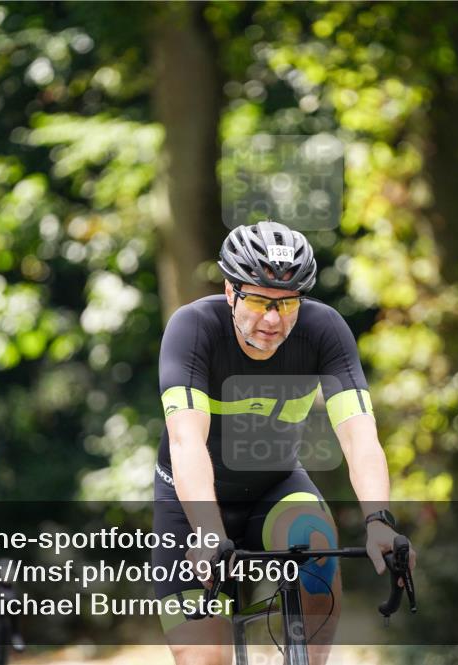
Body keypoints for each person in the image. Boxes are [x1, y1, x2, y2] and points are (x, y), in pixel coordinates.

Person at [153, 220, 415, 664]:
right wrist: (208, 532)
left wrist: (379, 520)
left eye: (288, 303)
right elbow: (185, 441)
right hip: (189, 503)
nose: (273, 319)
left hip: (276, 487)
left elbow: (359, 436)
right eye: (259, 301)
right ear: (230, 290)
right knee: (205, 657)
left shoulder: (324, 330)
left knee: (316, 541)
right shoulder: (193, 328)